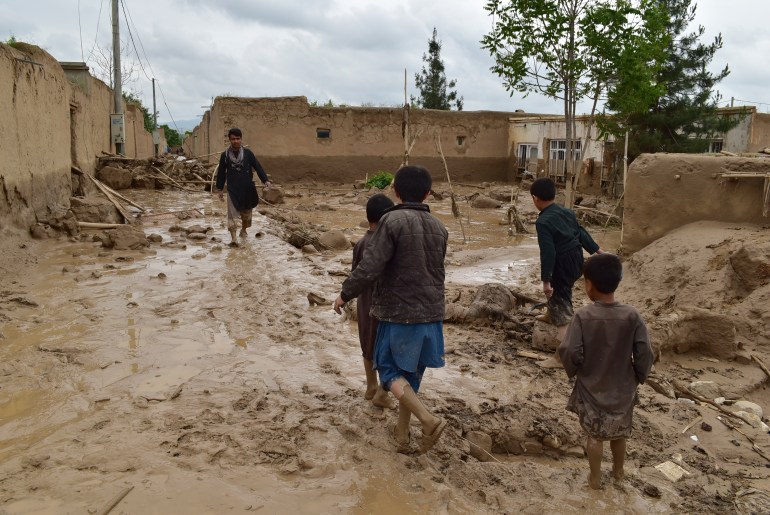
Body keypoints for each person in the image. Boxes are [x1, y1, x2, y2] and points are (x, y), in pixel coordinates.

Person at [333, 165, 448, 454]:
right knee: (410, 377)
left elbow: (370, 266)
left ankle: (428, 420)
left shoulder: (392, 221)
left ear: (395, 191)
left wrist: (345, 294)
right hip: (432, 314)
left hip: (399, 313)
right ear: (427, 193)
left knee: (388, 372)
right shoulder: (440, 227)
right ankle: (401, 434)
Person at [557, 253, 654, 490]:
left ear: (589, 284)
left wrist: (575, 370)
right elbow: (645, 352)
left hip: (592, 385)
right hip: (623, 385)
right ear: (617, 282)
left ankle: (595, 479)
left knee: (595, 434)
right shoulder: (632, 315)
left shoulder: (583, 315)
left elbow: (569, 349)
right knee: (620, 432)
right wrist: (640, 375)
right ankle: (619, 473)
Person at [530, 177, 602, 368]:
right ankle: (550, 313)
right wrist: (597, 251)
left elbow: (548, 253)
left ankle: (560, 357)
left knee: (560, 299)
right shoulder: (567, 212)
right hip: (577, 260)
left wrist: (546, 281)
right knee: (561, 291)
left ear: (535, 198)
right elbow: (581, 232)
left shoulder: (543, 222)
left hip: (561, 263)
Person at [352, 194, 397, 410]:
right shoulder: (389, 244)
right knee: (385, 349)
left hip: (364, 303)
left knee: (367, 346)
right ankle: (381, 391)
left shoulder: (361, 243)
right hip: (386, 305)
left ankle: (371, 386)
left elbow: (356, 275)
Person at [215, 128, 271, 245]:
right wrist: (220, 189)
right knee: (232, 214)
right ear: (229, 140)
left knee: (246, 215)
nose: (235, 141)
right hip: (232, 189)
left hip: (247, 189)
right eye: (233, 139)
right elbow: (221, 172)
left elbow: (257, 167)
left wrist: (265, 180)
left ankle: (244, 229)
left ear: (241, 139)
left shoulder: (248, 154)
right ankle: (234, 239)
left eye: (238, 139)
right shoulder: (225, 155)